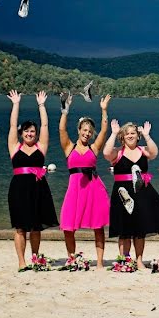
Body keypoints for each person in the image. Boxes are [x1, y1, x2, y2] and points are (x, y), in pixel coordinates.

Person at [103, 119, 159, 269]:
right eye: (127, 134)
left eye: (133, 133)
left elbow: (154, 153)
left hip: (142, 192)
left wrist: (147, 135)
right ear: (122, 137)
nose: (130, 136)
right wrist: (113, 133)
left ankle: (139, 261)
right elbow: (106, 153)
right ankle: (124, 260)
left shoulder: (143, 150)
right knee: (124, 229)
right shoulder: (118, 153)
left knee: (140, 229)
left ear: (137, 136)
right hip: (122, 194)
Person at [6, 89, 58, 272]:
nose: (30, 134)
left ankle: (35, 259)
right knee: (21, 228)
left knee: (36, 227)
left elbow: (45, 125)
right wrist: (16, 104)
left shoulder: (41, 147)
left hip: (38, 189)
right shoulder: (14, 147)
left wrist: (41, 105)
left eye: (32, 132)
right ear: (22, 133)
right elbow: (12, 126)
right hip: (19, 190)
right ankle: (22, 262)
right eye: (27, 131)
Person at [58, 92, 111, 267]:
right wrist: (65, 111)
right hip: (74, 190)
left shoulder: (94, 148)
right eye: (84, 130)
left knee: (98, 226)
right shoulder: (69, 147)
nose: (87, 133)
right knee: (67, 225)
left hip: (93, 189)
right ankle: (72, 259)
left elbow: (104, 129)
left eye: (90, 131)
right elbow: (61, 130)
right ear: (79, 130)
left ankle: (100, 262)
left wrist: (104, 110)